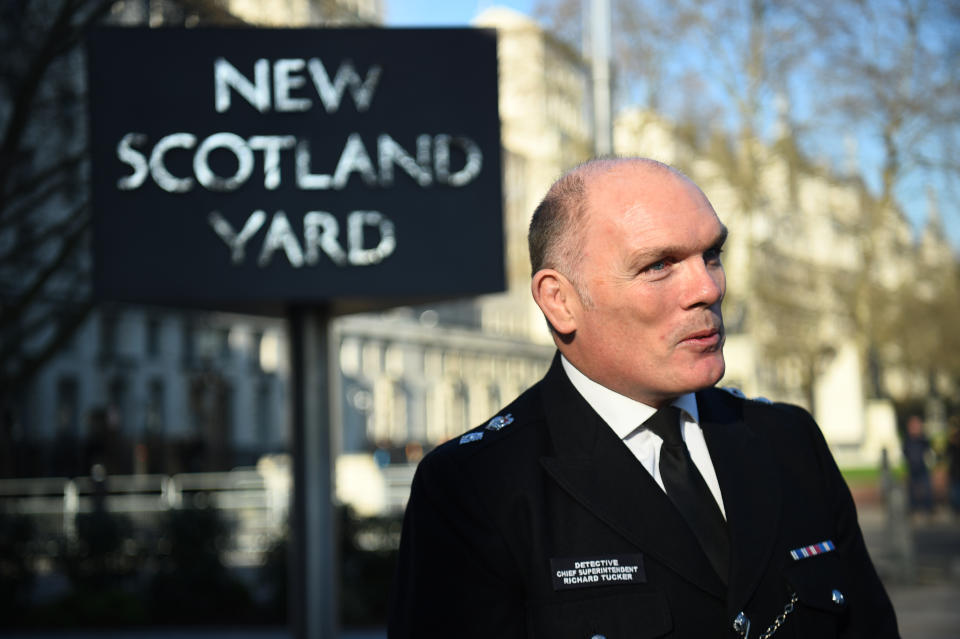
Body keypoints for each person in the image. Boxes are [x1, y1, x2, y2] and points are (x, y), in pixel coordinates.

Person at [388, 158, 899, 638]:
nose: (707, 288)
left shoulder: (787, 441)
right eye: (659, 265)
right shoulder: (478, 485)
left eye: (712, 255)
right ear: (560, 300)